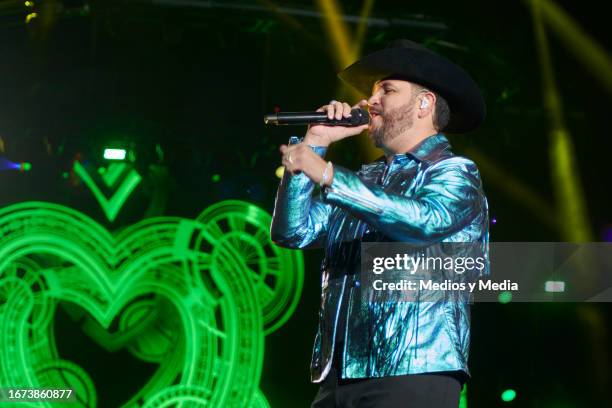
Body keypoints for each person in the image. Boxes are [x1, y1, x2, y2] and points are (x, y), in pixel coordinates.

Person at [270, 39, 489, 408]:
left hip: (413, 369)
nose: (371, 102)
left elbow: (421, 221)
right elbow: (292, 231)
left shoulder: (454, 172)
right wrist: (316, 142)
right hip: (339, 374)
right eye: (372, 92)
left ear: (424, 103)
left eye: (386, 90)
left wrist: (327, 175)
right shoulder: (365, 181)